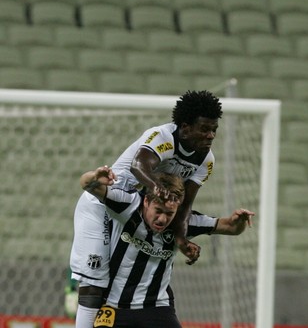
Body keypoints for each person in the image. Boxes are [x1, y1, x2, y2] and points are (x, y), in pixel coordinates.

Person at [69, 90, 223, 328]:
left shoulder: (206, 160)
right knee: (95, 280)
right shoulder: (162, 136)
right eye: (205, 129)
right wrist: (155, 188)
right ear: (185, 127)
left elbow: (185, 207)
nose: (211, 135)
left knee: (119, 280)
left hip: (135, 212)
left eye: (214, 129)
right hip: (102, 202)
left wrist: (182, 240)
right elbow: (138, 165)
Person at [81, 165, 254, 327]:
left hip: (157, 308)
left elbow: (231, 228)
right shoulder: (127, 205)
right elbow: (87, 184)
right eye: (159, 211)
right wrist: (95, 177)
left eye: (169, 213)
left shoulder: (183, 223)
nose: (163, 219)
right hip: (115, 308)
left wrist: (237, 221)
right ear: (147, 201)